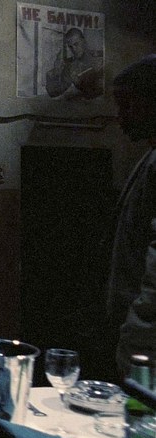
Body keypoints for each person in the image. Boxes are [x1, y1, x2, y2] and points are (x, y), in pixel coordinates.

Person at [106, 54, 156, 375]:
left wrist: (138, 342)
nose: (119, 117)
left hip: (145, 348)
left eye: (128, 105)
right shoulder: (149, 157)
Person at [45, 27, 104, 99]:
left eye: (76, 44)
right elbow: (53, 93)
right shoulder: (70, 65)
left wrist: (79, 83)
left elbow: (102, 91)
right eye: (70, 46)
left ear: (83, 41)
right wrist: (55, 72)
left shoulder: (98, 59)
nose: (74, 49)